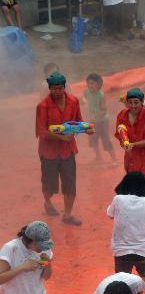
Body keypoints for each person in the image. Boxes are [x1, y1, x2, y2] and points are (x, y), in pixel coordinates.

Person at [36, 71, 86, 225]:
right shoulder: (43, 106)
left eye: (59, 88)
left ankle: (67, 215)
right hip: (48, 151)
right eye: (54, 89)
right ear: (49, 89)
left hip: (68, 151)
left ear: (64, 87)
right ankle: (48, 202)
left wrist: (83, 129)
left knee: (70, 183)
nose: (57, 92)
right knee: (49, 184)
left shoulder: (74, 101)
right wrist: (62, 136)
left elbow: (79, 121)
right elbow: (41, 131)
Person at [108, 171, 145, 294]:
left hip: (122, 251)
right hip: (143, 250)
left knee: (121, 289)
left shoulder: (118, 199)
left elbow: (110, 214)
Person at [115, 89, 145, 206]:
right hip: (131, 159)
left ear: (142, 102)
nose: (133, 106)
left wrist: (132, 145)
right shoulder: (121, 115)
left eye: (136, 102)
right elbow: (119, 133)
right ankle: (138, 220)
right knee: (134, 192)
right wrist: (123, 143)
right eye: (130, 102)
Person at [84, 73, 116, 163]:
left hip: (102, 121)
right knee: (93, 139)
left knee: (105, 139)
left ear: (98, 84)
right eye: (88, 83)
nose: (90, 85)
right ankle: (98, 157)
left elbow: (104, 110)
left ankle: (114, 159)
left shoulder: (100, 95)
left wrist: (96, 115)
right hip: (93, 121)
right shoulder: (86, 91)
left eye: (92, 83)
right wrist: (84, 102)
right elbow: (85, 99)